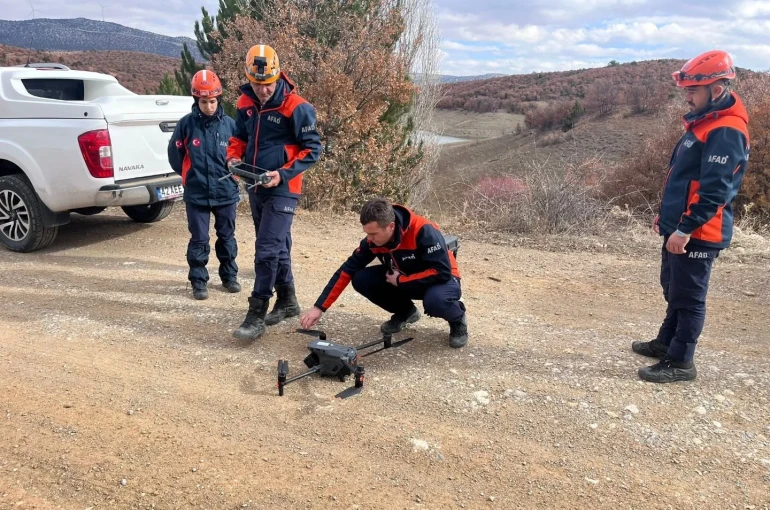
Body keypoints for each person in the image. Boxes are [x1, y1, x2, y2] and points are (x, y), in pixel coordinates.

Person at [633, 50, 750, 383]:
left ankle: (681, 362)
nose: (687, 96)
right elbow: (683, 178)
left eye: (692, 90)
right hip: (681, 227)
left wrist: (684, 229)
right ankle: (665, 342)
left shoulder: (725, 131)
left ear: (716, 90)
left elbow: (714, 191)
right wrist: (666, 218)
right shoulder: (706, 121)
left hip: (699, 232)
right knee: (674, 289)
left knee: (689, 297)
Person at [226, 44, 322, 340]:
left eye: (267, 84)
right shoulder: (245, 102)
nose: (262, 90)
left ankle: (256, 313)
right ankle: (288, 300)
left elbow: (313, 149)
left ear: (278, 76)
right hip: (255, 184)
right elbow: (239, 137)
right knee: (277, 246)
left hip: (284, 188)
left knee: (266, 248)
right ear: (248, 79)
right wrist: (233, 157)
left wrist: (282, 174)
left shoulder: (297, 106)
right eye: (257, 84)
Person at [299, 197, 469, 348]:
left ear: (391, 226)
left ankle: (457, 319)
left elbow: (442, 272)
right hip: (402, 277)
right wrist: (319, 307)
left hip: (440, 280)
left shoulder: (424, 231)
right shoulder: (372, 241)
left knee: (435, 301)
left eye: (373, 234)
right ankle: (406, 312)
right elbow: (347, 269)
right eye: (367, 234)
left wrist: (402, 280)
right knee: (361, 278)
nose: (369, 239)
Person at [168, 70, 240, 300]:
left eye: (212, 101)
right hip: (196, 193)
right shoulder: (186, 125)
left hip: (226, 192)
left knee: (226, 236)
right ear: (196, 100)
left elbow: (240, 155)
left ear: (218, 100)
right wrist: (189, 176)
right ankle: (199, 282)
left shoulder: (230, 125)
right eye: (203, 101)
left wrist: (234, 175)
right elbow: (175, 154)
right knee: (199, 239)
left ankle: (229, 277)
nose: (208, 106)